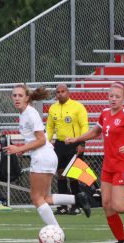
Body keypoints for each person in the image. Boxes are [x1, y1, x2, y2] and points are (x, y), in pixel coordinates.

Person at [65, 73, 124, 243]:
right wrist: (76, 139)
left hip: (123, 166)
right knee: (106, 204)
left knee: (118, 205)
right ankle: (121, 242)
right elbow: (95, 132)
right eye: (111, 96)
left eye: (117, 97)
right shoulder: (105, 113)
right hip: (108, 166)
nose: (113, 99)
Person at [5, 84, 91, 229]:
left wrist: (19, 148)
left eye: (20, 95)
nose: (17, 98)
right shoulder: (24, 113)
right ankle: (78, 199)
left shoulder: (30, 114)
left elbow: (41, 140)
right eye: (14, 95)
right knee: (44, 198)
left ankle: (56, 230)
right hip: (46, 155)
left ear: (27, 98)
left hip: (42, 156)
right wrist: (24, 150)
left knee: (36, 199)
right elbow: (38, 138)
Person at [46, 84, 89, 216]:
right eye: (57, 92)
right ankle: (62, 206)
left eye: (62, 91)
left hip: (74, 144)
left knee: (73, 175)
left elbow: (84, 125)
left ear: (68, 92)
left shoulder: (77, 107)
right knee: (60, 174)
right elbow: (49, 128)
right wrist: (46, 144)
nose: (60, 94)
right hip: (59, 145)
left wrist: (82, 142)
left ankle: (76, 206)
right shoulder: (53, 108)